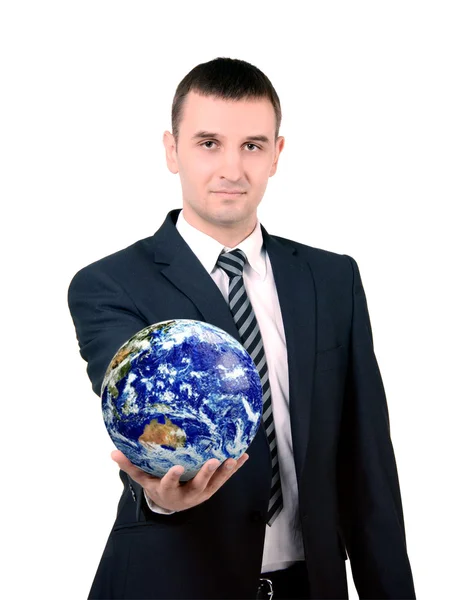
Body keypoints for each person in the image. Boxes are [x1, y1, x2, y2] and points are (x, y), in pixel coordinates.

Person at [68, 57, 416, 600]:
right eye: (209, 143)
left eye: (252, 145)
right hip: (173, 579)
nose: (232, 168)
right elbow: (141, 422)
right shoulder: (110, 285)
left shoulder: (332, 278)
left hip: (310, 584)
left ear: (277, 154)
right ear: (171, 149)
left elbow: (367, 468)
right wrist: (164, 497)